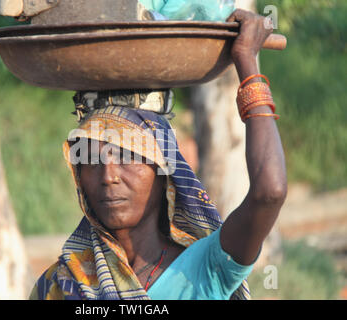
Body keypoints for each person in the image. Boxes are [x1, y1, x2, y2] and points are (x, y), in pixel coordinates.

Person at [29, 9, 287, 300]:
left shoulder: (204, 268)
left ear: (165, 169)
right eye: (90, 160)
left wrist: (247, 62)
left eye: (127, 156)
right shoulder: (64, 284)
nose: (108, 176)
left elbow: (270, 192)